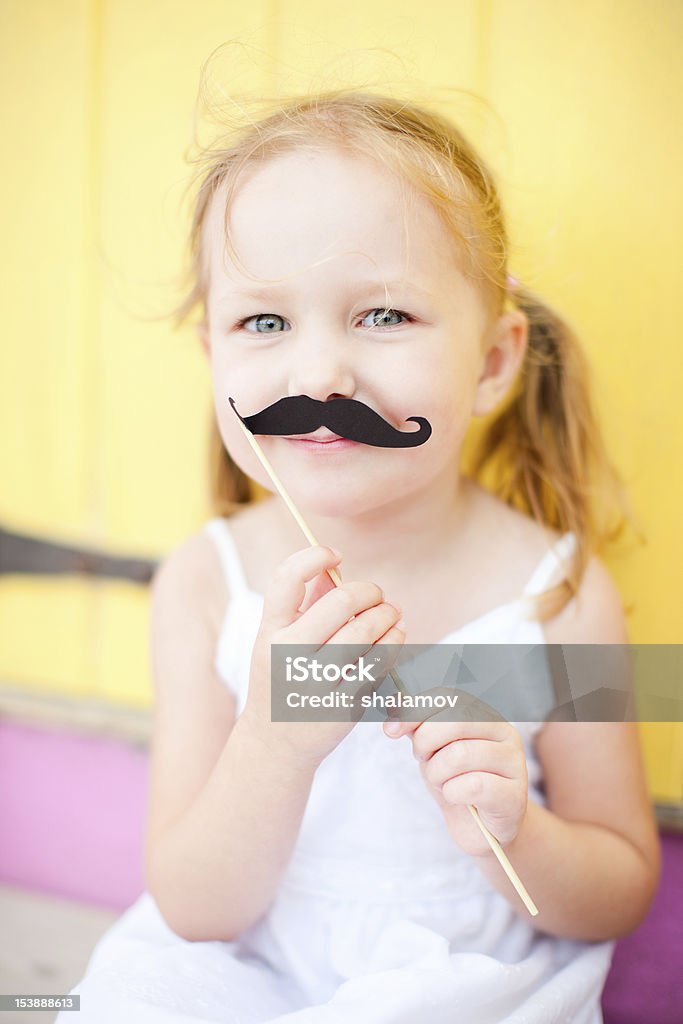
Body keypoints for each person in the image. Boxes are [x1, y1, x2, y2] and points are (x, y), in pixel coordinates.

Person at [60, 89, 660, 1023]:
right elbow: (193, 906)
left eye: (382, 315)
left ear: (494, 361)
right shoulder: (206, 585)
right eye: (264, 323)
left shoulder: (559, 596)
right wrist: (272, 742)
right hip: (247, 974)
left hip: (461, 983)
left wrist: (517, 831)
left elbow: (619, 891)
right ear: (212, 354)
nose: (316, 377)